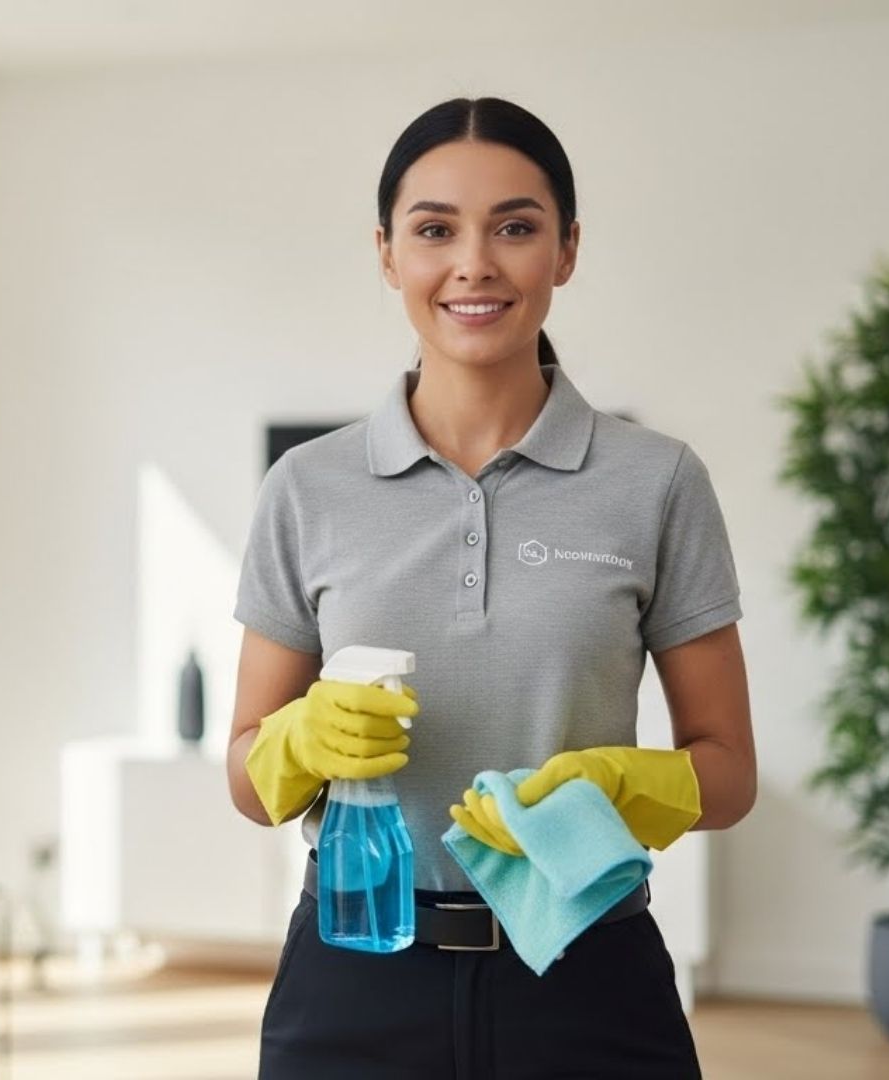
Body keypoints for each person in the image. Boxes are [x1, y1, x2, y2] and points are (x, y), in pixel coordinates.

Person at [225, 96, 755, 1079]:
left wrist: (632, 786)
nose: (474, 263)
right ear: (388, 253)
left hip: (590, 977)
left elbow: (729, 773)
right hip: (354, 974)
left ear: (567, 250)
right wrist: (297, 740)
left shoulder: (658, 482)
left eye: (516, 226)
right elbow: (248, 779)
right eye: (435, 230)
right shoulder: (307, 488)